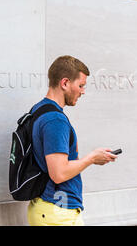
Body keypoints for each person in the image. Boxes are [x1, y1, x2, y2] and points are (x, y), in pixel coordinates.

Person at [27, 55, 118, 226]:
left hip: (50, 209)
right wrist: (92, 158)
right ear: (65, 83)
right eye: (81, 85)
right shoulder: (55, 120)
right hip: (58, 211)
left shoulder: (39, 109)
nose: (83, 91)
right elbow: (59, 173)